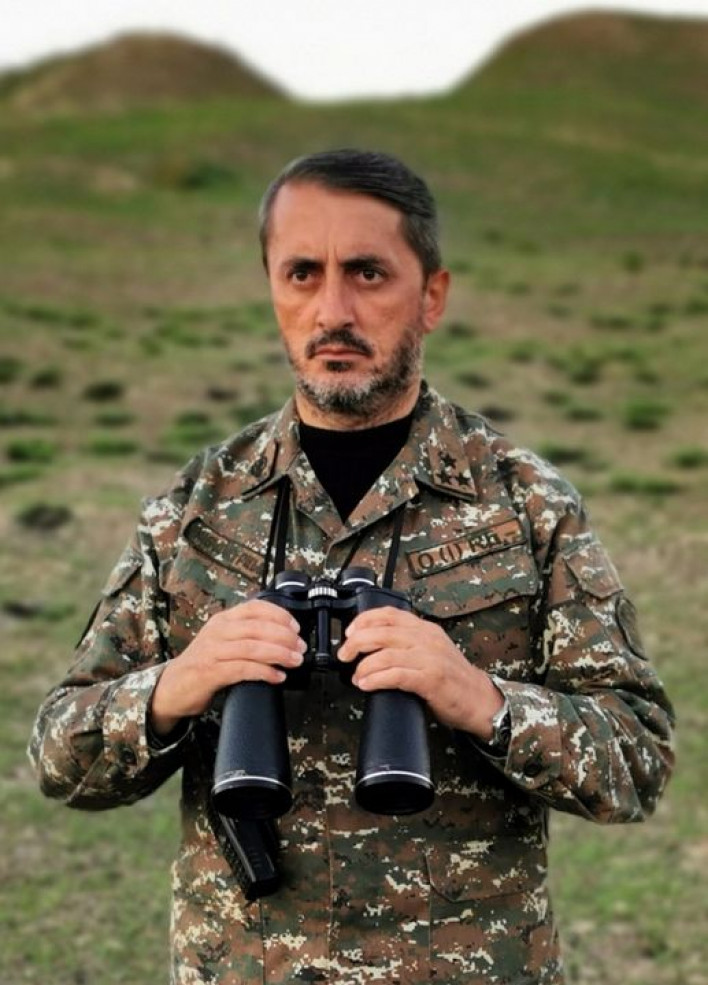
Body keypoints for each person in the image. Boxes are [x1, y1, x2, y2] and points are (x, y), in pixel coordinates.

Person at [29, 149, 675, 985]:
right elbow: (61, 757)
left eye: (368, 273)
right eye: (303, 273)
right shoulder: (197, 508)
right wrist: (179, 684)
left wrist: (478, 698)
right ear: (272, 288)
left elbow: (637, 759)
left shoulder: (525, 503)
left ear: (431, 295)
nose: (332, 310)